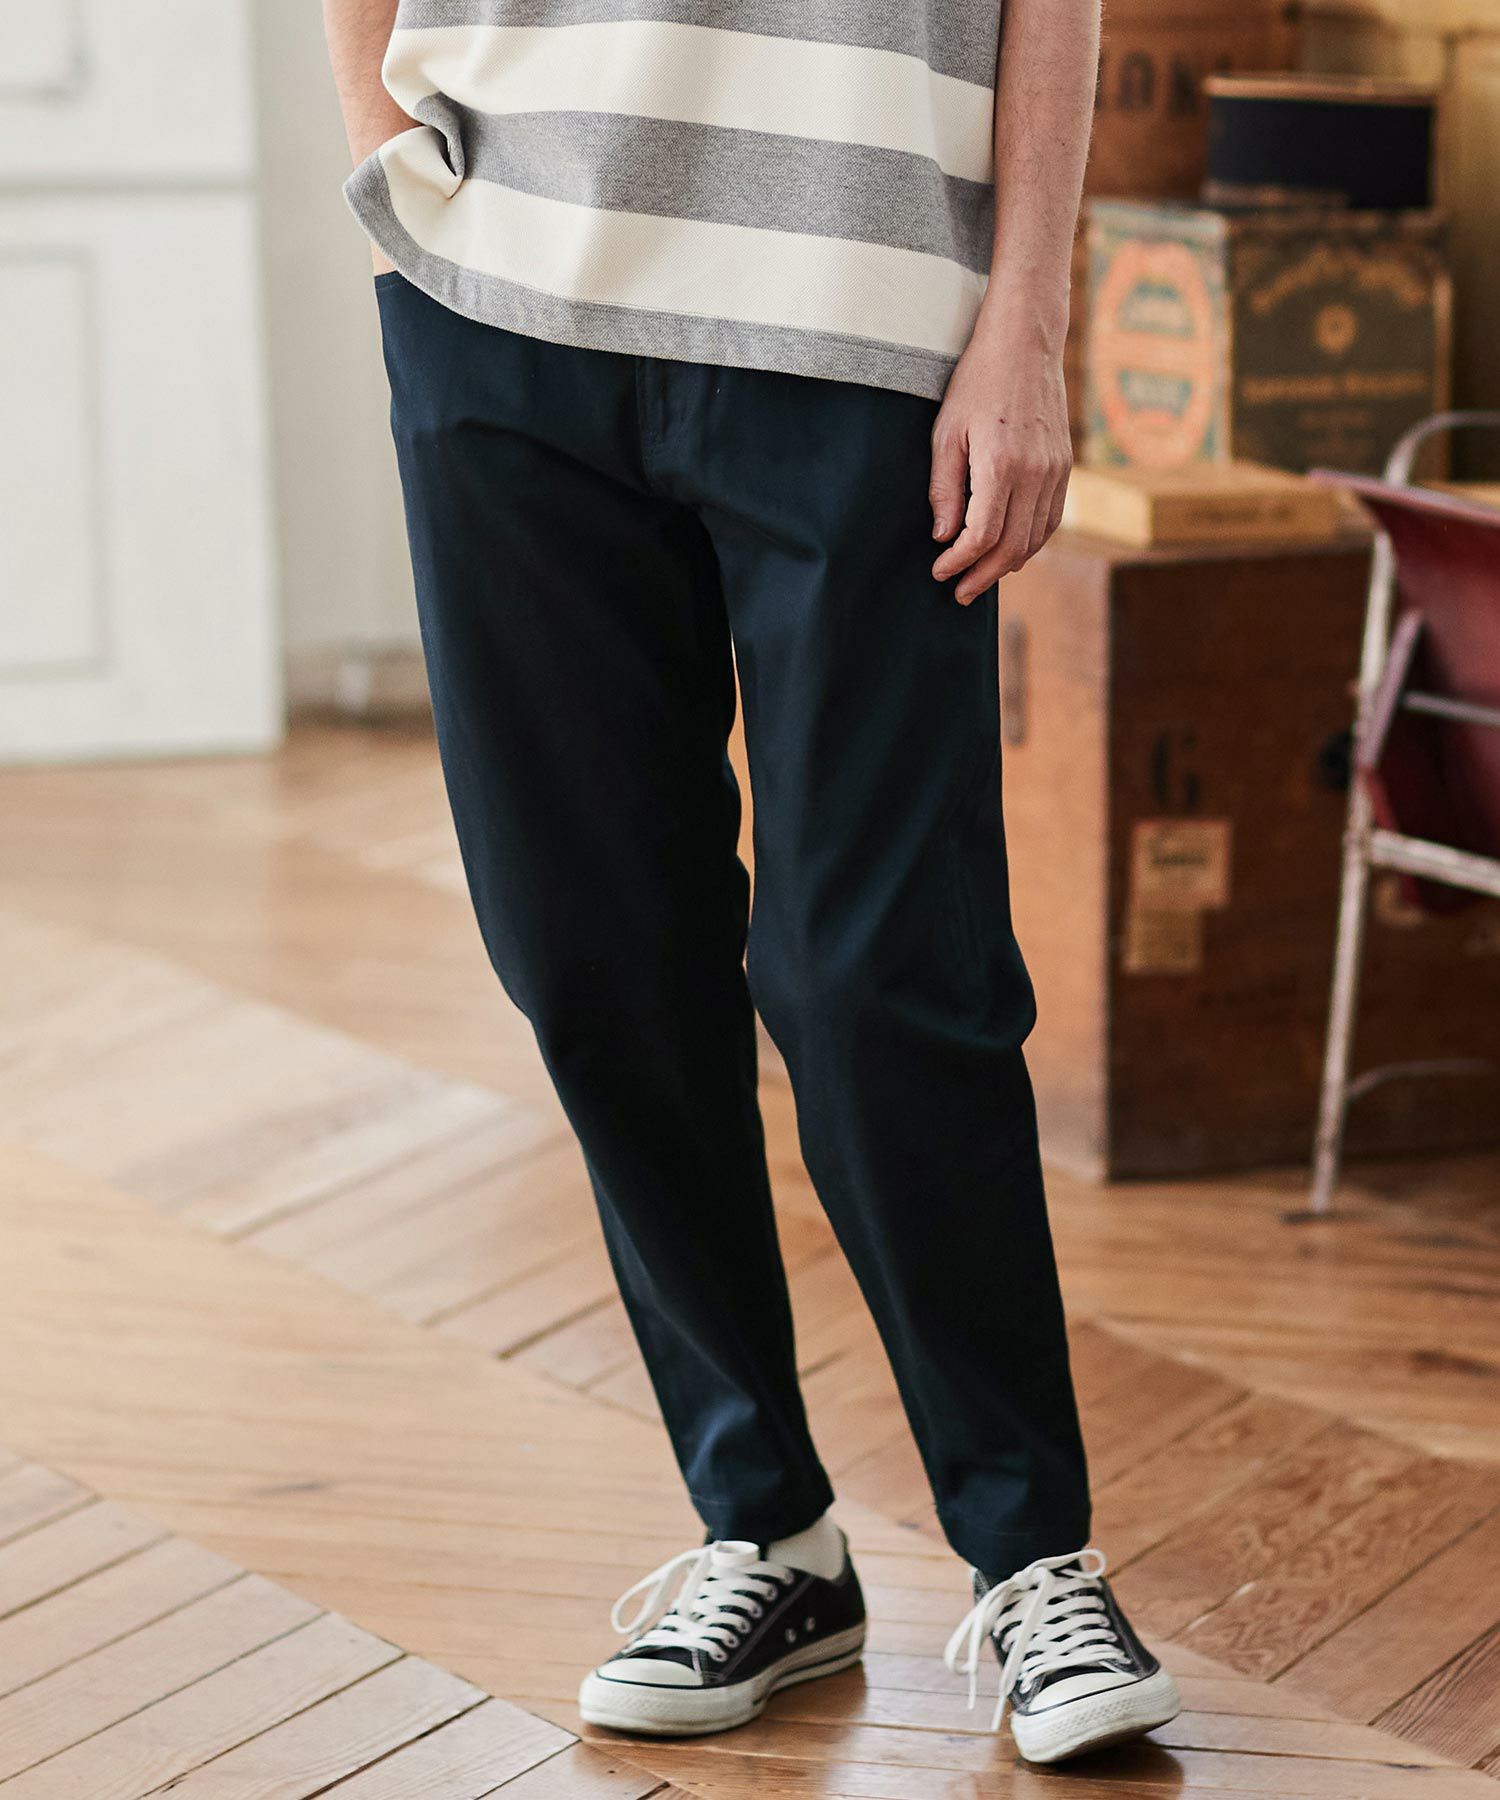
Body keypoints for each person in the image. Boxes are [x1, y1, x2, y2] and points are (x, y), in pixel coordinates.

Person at [323, 0, 1181, 1763]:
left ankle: (1033, 1555)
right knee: (588, 954)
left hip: (860, 310)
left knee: (881, 972)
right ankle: (766, 1528)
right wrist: (386, 162)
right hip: (501, 299)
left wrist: (1027, 320)